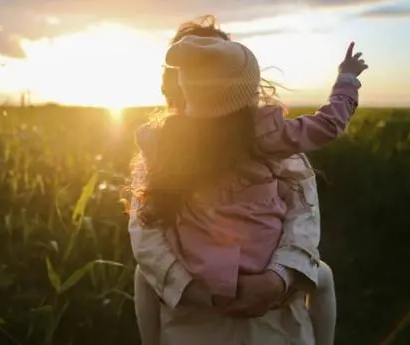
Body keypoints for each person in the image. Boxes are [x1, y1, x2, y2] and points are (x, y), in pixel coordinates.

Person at [128, 16, 367, 345]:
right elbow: (146, 233)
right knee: (322, 275)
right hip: (218, 300)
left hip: (230, 290)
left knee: (143, 276)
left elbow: (302, 211)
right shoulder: (270, 136)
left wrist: (275, 280)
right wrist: (347, 80)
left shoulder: (163, 145)